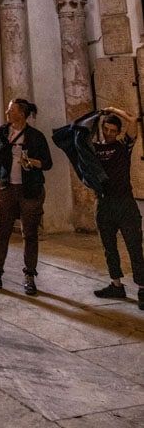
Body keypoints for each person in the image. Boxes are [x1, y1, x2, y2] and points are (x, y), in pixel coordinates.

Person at [0, 98, 53, 296]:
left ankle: (29, 276)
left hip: (30, 190)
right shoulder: (3, 132)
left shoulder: (36, 137)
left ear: (21, 114)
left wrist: (33, 162)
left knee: (30, 233)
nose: (8, 113)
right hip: (7, 188)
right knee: (1, 232)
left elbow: (48, 163)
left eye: (11, 110)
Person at [91, 107, 144, 309]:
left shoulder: (123, 146)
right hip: (104, 203)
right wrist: (97, 116)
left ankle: (142, 289)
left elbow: (132, 120)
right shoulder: (94, 148)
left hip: (125, 203)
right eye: (107, 130)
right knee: (109, 247)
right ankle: (116, 284)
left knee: (134, 245)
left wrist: (112, 110)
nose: (110, 134)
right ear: (102, 128)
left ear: (118, 132)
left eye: (114, 131)